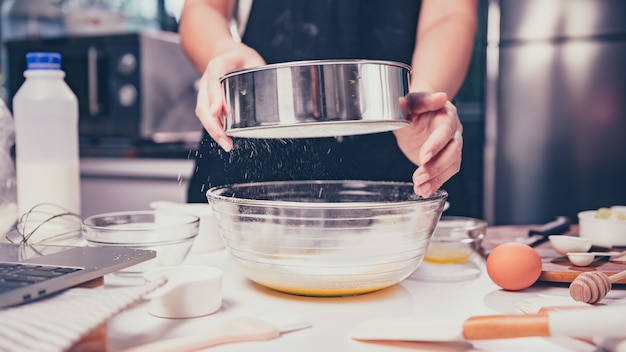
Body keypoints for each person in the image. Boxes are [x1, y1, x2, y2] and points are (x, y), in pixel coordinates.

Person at [179, 0, 477, 203]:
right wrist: (223, 51)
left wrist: (423, 97)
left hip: (400, 157)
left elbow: (449, 13)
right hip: (254, 150)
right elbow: (204, 6)